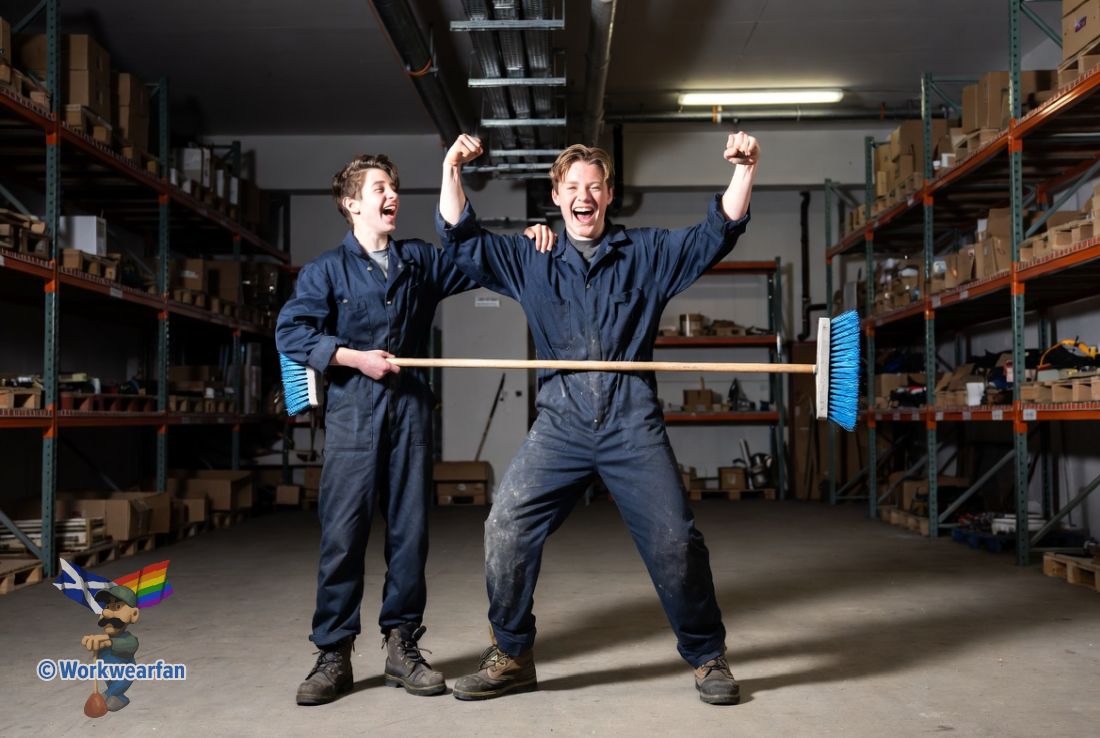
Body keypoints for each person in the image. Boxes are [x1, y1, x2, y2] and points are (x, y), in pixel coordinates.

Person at [436, 132, 759, 706]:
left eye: (594, 186)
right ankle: (511, 654)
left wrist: (745, 169)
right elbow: (462, 237)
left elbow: (717, 233)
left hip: (630, 421)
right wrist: (451, 169)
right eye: (572, 187)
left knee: (675, 541)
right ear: (557, 196)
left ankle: (707, 655)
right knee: (506, 527)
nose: (583, 196)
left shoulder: (647, 253)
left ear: (609, 195)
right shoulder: (532, 257)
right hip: (560, 424)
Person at [276, 153, 555, 706]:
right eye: (380, 188)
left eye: (394, 187)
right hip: (353, 413)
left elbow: (473, 261)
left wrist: (522, 242)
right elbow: (292, 332)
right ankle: (333, 654)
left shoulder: (419, 261)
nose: (392, 196)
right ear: (351, 203)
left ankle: (402, 646)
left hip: (409, 411)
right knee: (343, 535)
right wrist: (353, 358)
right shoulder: (326, 271)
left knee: (409, 533)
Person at [81, 585, 141, 712]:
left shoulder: (129, 639)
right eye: (107, 606)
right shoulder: (103, 638)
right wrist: (93, 644)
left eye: (117, 607)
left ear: (134, 614)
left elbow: (130, 645)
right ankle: (116, 697)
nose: (106, 613)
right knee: (112, 692)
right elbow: (99, 647)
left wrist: (106, 642)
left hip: (125, 674)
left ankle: (108, 695)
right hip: (108, 673)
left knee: (114, 689)